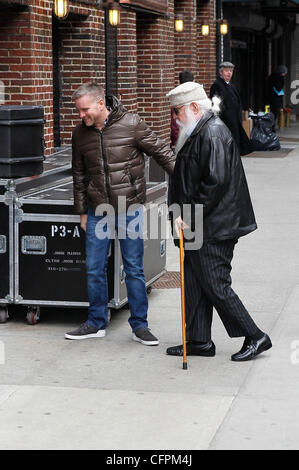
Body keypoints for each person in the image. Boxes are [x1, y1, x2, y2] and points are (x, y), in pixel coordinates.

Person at [166, 81, 272, 361]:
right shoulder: (197, 130)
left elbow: (215, 183)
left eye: (177, 111)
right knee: (193, 281)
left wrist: (187, 216)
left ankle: (256, 336)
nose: (175, 117)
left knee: (215, 284)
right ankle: (199, 340)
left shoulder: (212, 132)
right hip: (198, 223)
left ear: (192, 107)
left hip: (214, 225)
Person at [65, 82, 175, 344]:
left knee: (134, 269)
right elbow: (79, 175)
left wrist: (186, 181)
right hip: (96, 211)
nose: (82, 116)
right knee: (94, 268)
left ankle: (140, 326)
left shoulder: (132, 123)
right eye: (78, 111)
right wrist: (82, 211)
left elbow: (161, 151)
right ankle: (96, 322)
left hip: (129, 209)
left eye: (84, 110)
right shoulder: (80, 134)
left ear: (101, 103)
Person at [210, 61, 252, 156]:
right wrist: (225, 117)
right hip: (226, 123)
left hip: (235, 122)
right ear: (221, 72)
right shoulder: (217, 85)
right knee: (227, 150)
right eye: (226, 71)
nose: (229, 73)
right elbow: (216, 106)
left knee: (235, 149)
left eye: (231, 71)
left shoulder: (232, 85)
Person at [170, 70, 194, 149]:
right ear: (193, 81)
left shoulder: (177, 96)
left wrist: (175, 141)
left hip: (182, 138)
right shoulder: (197, 95)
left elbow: (175, 123)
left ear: (179, 81)